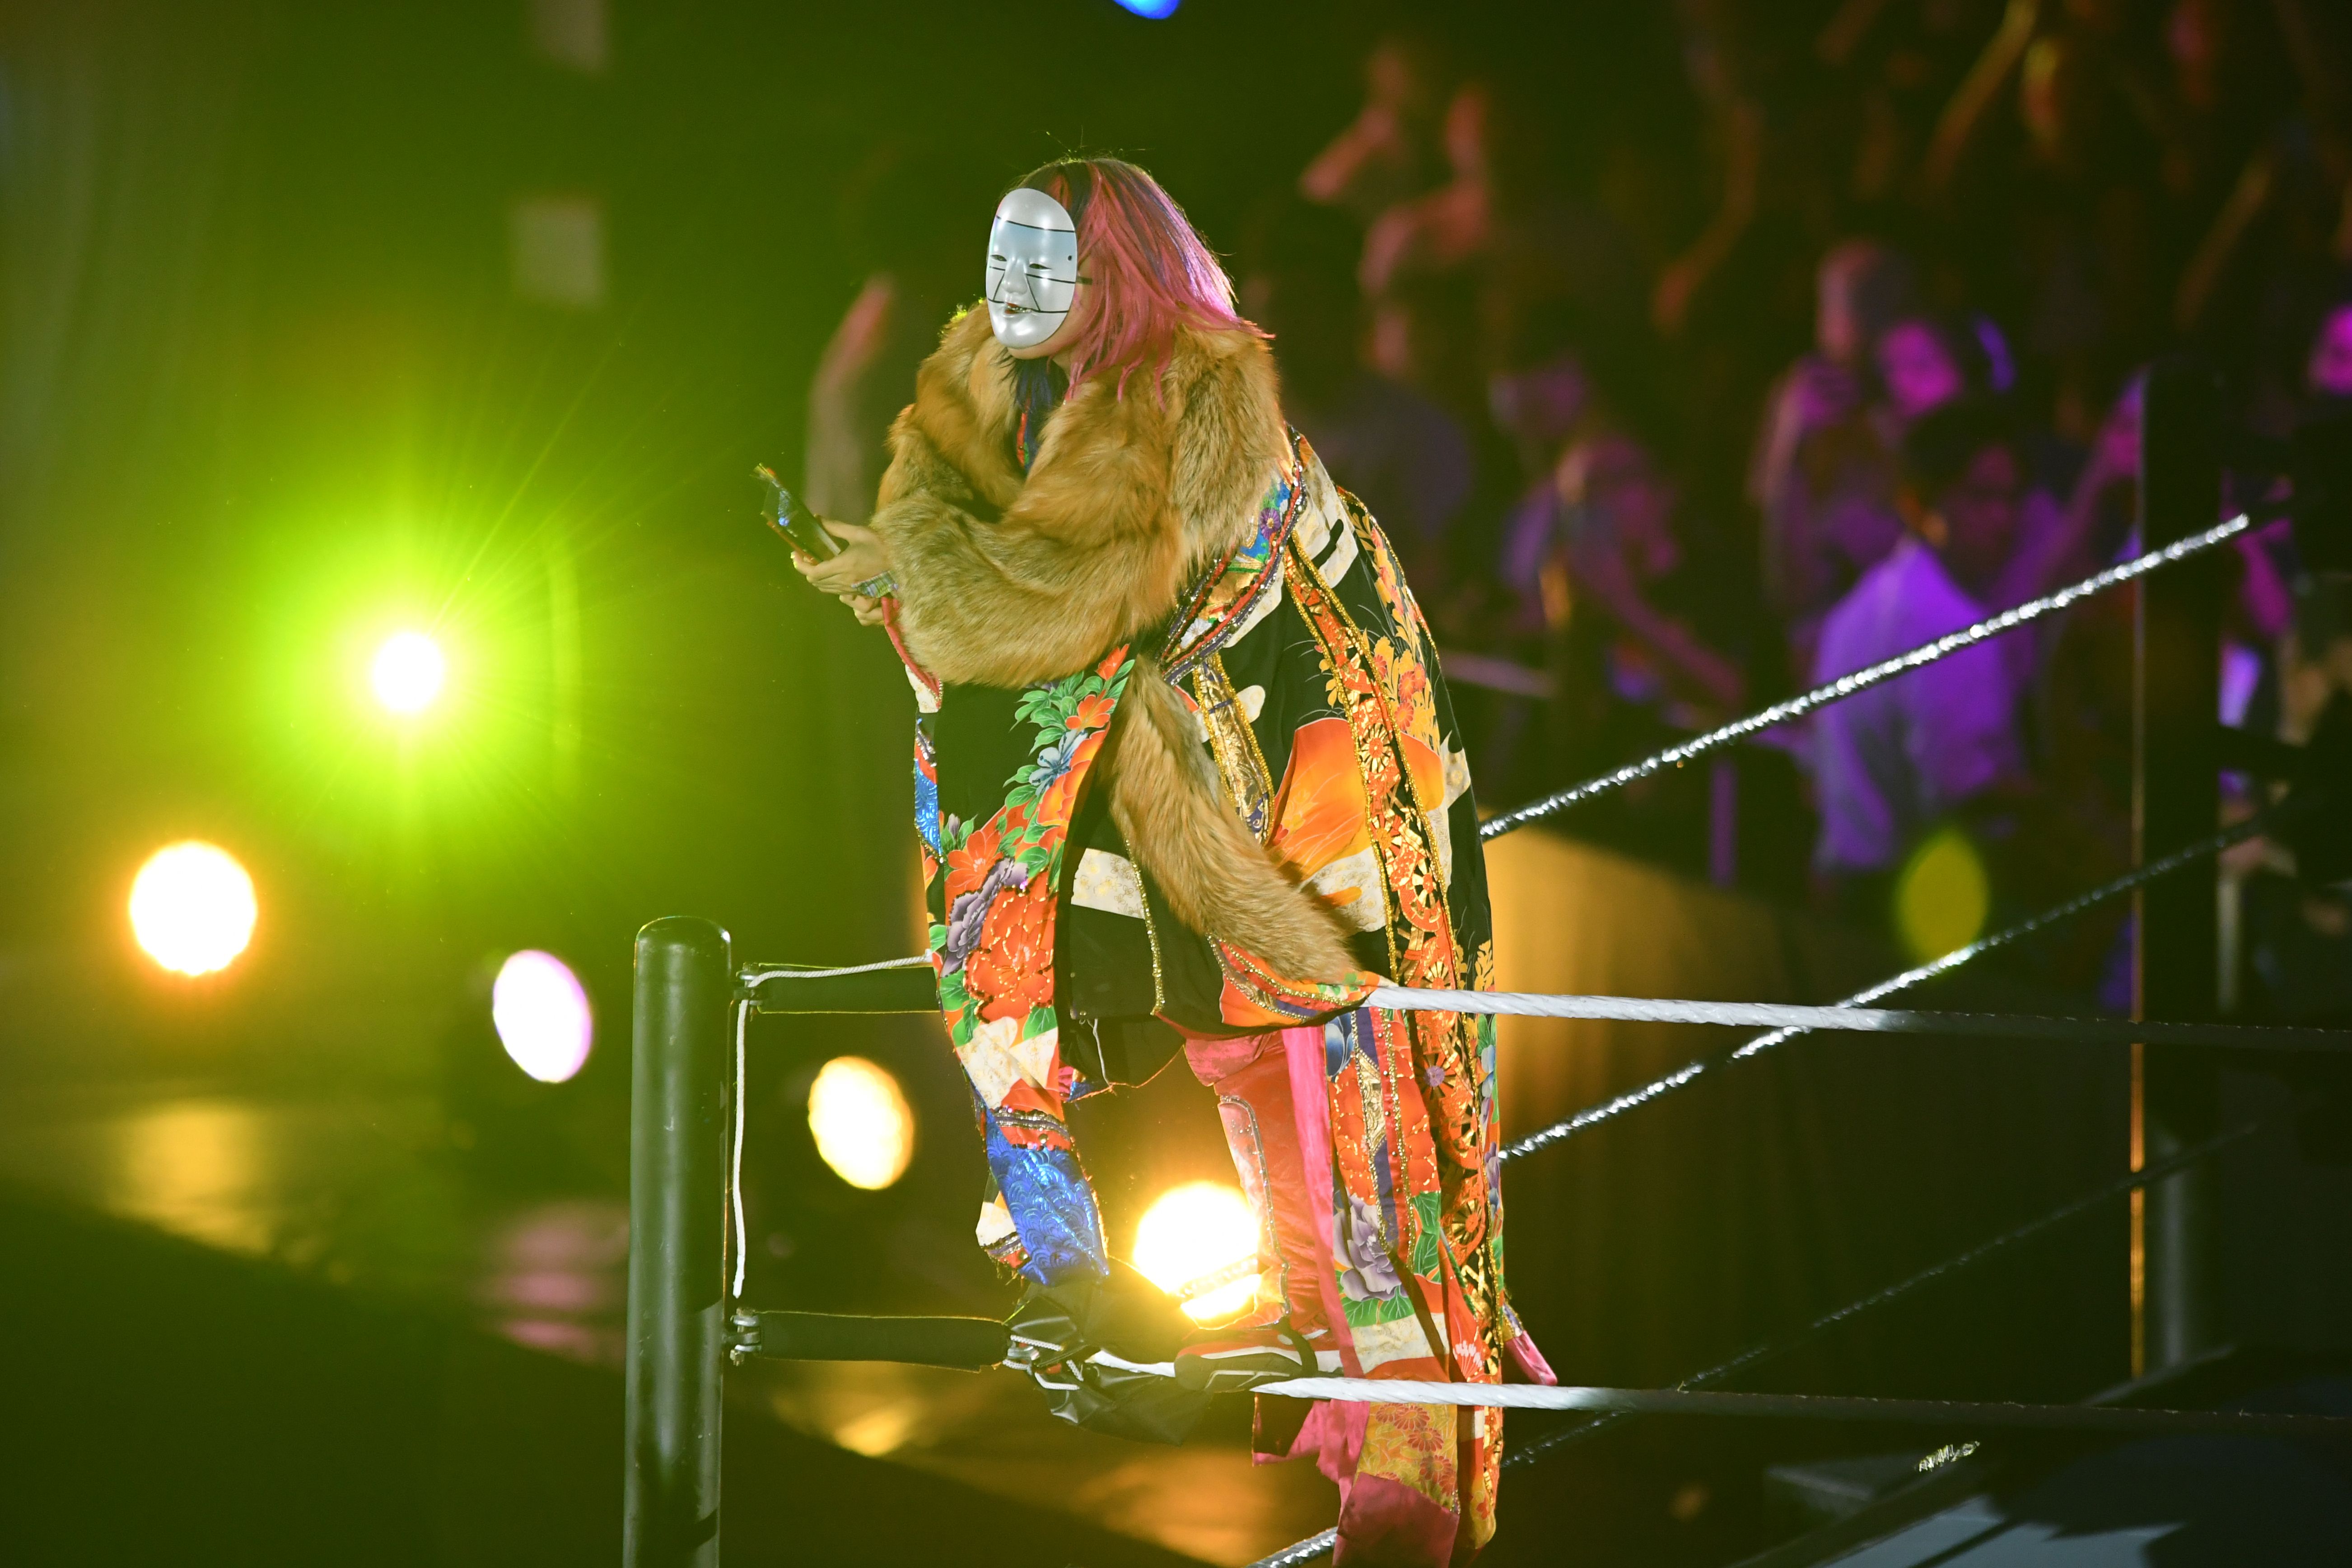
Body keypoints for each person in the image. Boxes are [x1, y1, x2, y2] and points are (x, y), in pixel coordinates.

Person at [793, 157, 1545, 1564]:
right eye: (1003, 255)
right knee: (1270, 1123)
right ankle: (1360, 1426)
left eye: (1048, 262)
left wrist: (915, 593)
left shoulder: (1189, 398)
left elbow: (1078, 606)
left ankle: (1404, 1485)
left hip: (1312, 812)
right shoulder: (1009, 394)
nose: (1012, 286)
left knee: (1353, 1158)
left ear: (1115, 278)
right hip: (1204, 806)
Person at [1811, 397, 2035, 921]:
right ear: (1921, 502)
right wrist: (2055, 808)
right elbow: (1963, 794)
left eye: (2011, 498)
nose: (2002, 519)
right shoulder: (1945, 620)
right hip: (1909, 908)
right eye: (1980, 497)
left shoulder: (1861, 604)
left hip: (1848, 900)